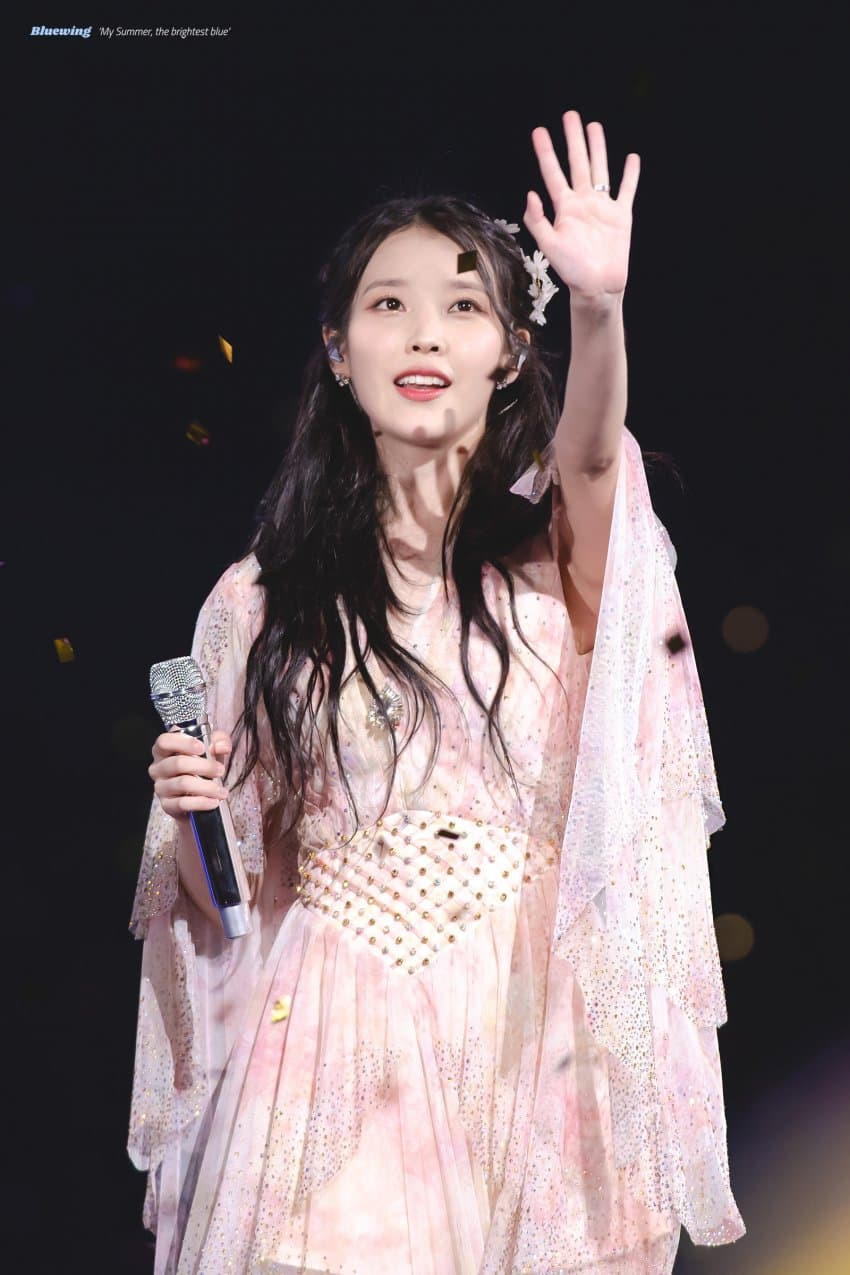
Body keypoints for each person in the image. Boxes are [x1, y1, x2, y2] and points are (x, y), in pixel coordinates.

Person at [129, 110, 745, 1274]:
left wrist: (598, 305)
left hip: (526, 1035)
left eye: (463, 306)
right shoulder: (255, 602)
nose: (423, 332)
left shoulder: (556, 564)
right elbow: (228, 910)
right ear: (337, 348)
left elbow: (592, 459)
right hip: (327, 1050)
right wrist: (195, 812)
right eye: (387, 304)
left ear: (508, 352)